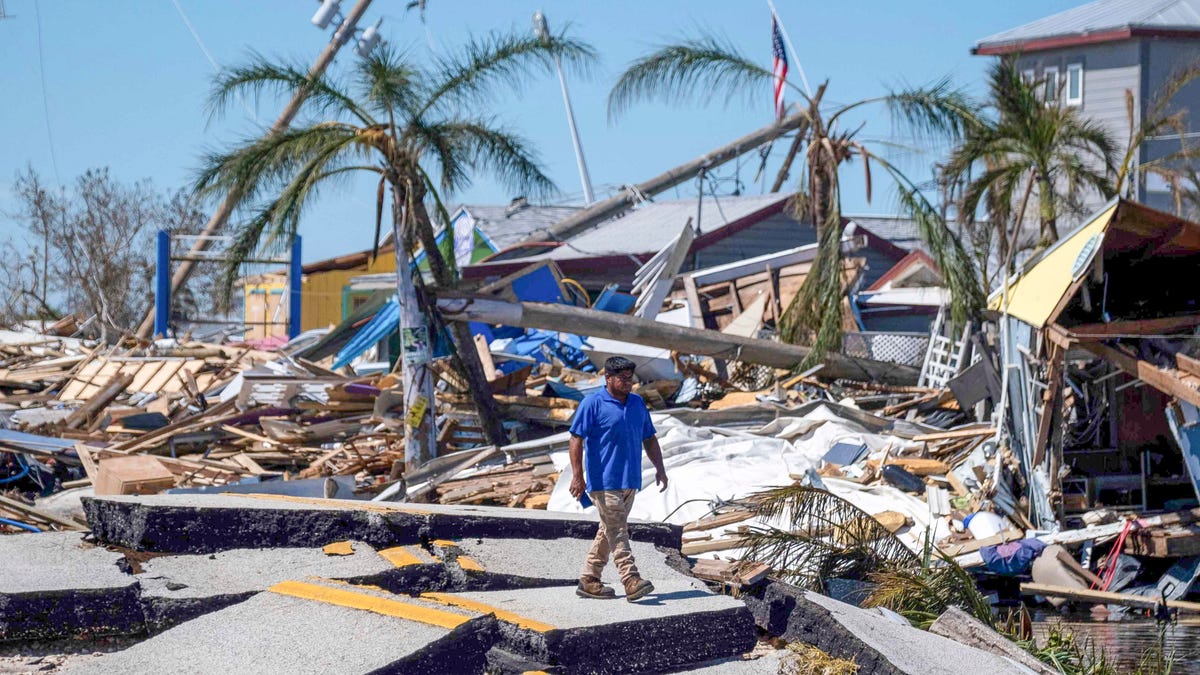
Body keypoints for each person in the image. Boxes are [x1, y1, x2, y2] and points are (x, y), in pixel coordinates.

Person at [568, 356, 668, 602]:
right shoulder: (592, 404)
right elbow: (575, 439)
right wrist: (577, 476)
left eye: (630, 378)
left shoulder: (637, 404)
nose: (627, 383)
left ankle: (589, 579)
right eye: (622, 379)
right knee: (619, 531)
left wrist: (660, 469)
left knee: (609, 530)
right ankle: (630, 579)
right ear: (608, 378)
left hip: (629, 480)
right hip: (603, 481)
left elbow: (650, 438)